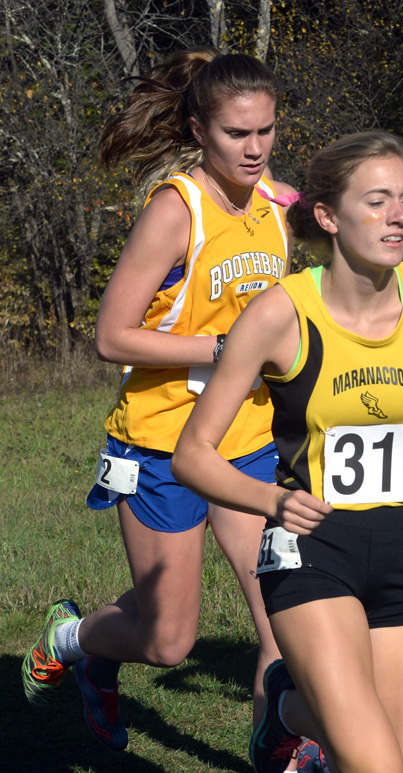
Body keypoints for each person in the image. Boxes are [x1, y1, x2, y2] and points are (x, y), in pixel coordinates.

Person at [171, 130, 403, 773]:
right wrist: (271, 499)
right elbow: (192, 454)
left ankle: (289, 709)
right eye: (377, 202)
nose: (398, 216)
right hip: (312, 557)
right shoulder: (280, 314)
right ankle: (292, 705)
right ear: (330, 217)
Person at [21, 48, 296, 770]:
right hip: (161, 448)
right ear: (201, 129)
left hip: (247, 440)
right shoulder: (176, 210)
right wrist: (224, 348)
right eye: (239, 134)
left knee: (284, 619)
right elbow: (111, 335)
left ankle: (280, 753)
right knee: (169, 639)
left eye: (267, 130)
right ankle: (74, 643)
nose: (256, 147)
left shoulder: (275, 200)